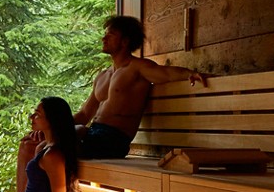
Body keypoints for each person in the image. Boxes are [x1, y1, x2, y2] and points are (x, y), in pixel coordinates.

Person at [74, 16, 207, 159]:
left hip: (114, 140)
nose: (103, 39)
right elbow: (84, 114)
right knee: (54, 141)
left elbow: (166, 74)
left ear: (125, 41)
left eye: (110, 35)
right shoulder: (102, 76)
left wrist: (190, 73)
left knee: (68, 138)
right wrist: (52, 126)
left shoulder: (137, 68)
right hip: (93, 134)